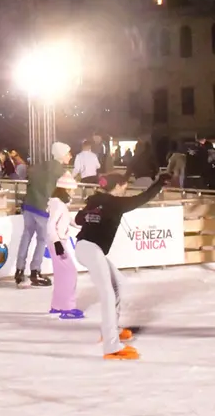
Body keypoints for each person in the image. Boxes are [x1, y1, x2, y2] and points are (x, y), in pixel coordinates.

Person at [74, 172, 170, 360]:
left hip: (88, 248)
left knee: (117, 284)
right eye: (124, 185)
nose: (125, 189)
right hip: (90, 248)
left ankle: (112, 330)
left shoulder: (95, 200)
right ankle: (111, 346)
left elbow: (78, 220)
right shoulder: (115, 203)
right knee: (108, 293)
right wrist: (159, 183)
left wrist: (91, 213)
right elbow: (142, 198)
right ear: (117, 186)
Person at [15, 142, 71, 287]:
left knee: (26, 236)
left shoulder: (39, 166)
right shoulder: (60, 171)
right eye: (68, 153)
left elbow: (30, 183)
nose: (70, 156)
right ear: (62, 154)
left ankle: (19, 270)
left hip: (29, 205)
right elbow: (63, 192)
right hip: (42, 208)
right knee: (42, 240)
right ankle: (35, 271)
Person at [46, 172, 82, 319]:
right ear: (66, 190)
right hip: (57, 242)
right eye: (72, 190)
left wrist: (80, 225)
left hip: (58, 241)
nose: (73, 192)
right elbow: (51, 225)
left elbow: (66, 220)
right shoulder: (58, 205)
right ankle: (67, 308)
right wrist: (57, 243)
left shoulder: (58, 204)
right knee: (70, 274)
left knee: (62, 275)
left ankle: (57, 305)